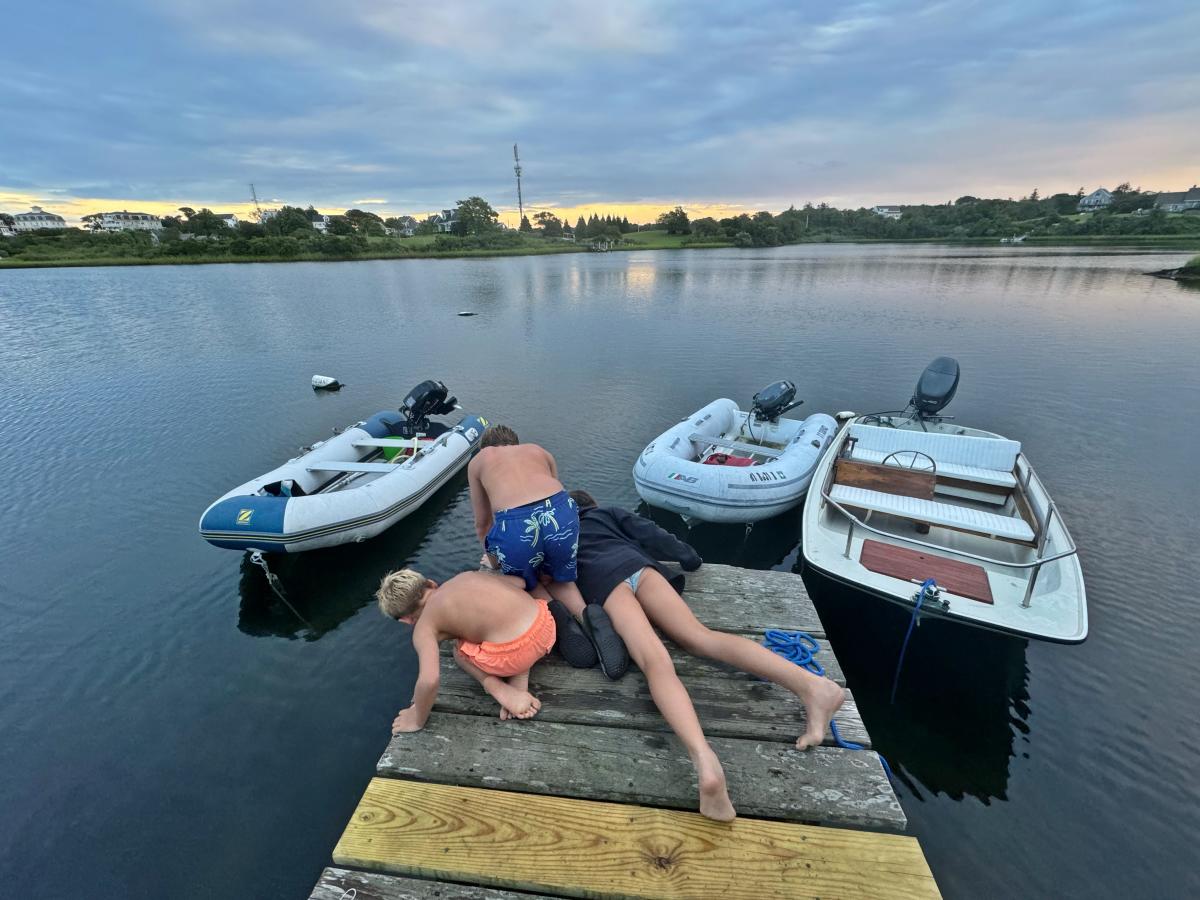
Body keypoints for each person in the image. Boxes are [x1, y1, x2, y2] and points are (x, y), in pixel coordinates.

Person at [566, 490, 846, 822]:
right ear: (591, 505)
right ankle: (814, 687)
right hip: (640, 569)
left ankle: (704, 761)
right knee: (702, 638)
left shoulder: (560, 534)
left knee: (656, 662)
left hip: (606, 583)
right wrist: (689, 557)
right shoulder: (607, 513)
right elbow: (653, 534)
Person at [468, 424, 624, 674]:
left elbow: (483, 523)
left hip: (517, 525)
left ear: (487, 447)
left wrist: (494, 560)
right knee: (560, 578)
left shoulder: (480, 460)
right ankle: (589, 617)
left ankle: (560, 620)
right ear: (516, 443)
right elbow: (554, 495)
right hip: (561, 512)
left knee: (527, 582)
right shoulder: (538, 451)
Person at [378, 569, 555, 731]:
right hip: (545, 624)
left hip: (515, 655)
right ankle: (522, 670)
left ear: (407, 620)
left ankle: (499, 687)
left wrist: (416, 719)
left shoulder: (423, 628)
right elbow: (520, 583)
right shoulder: (466, 576)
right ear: (431, 583)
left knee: (459, 651)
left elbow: (429, 680)